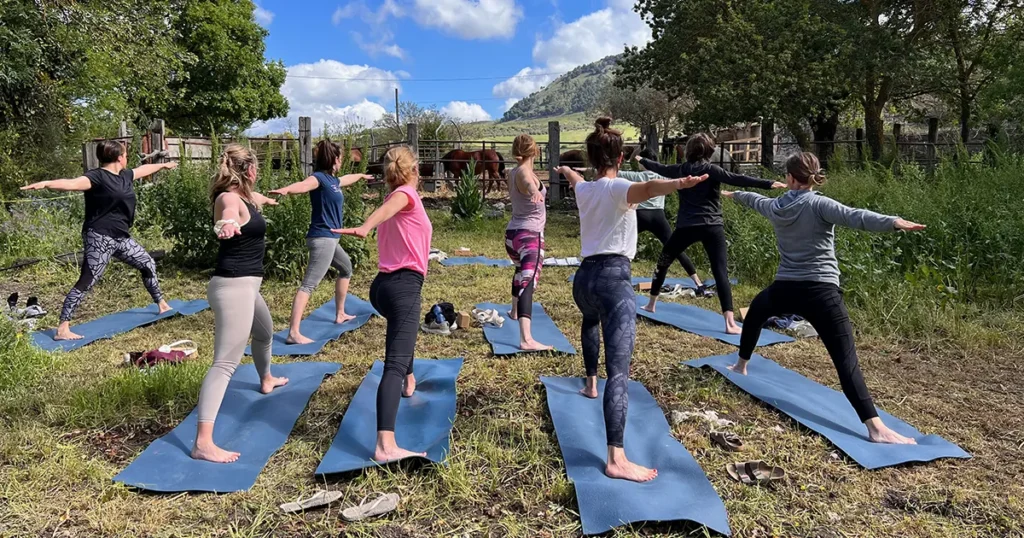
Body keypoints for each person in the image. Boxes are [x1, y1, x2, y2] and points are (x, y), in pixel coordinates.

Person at [723, 152, 925, 445]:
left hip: (786, 288)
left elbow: (754, 200)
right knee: (846, 361)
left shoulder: (775, 206)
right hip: (821, 293)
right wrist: (894, 222)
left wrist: (734, 193)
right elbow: (857, 216)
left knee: (756, 311)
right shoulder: (819, 203)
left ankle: (741, 365)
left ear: (790, 179)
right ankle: (875, 427)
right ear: (813, 177)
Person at [558, 118, 707, 482]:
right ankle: (616, 458)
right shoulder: (618, 188)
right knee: (620, 375)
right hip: (613, 280)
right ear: (620, 157)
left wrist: (565, 168)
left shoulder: (586, 190)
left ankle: (590, 382)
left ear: (593, 158)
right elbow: (652, 187)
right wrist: (681, 183)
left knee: (590, 320)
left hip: (584, 282)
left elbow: (575, 180)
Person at [333, 146, 433, 462]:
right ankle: (385, 446)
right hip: (402, 286)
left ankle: (410, 379)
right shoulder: (406, 195)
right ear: (414, 170)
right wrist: (365, 226)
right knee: (393, 362)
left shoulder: (393, 198)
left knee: (403, 333)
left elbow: (390, 209)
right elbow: (389, 209)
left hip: (384, 287)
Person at [21, 141, 178, 340]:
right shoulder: (96, 177)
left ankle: (162, 305)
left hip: (121, 237)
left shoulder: (125, 176)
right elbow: (72, 183)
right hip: (99, 237)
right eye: (126, 154)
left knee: (147, 263)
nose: (127, 157)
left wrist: (163, 165)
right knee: (88, 279)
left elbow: (143, 169)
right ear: (119, 157)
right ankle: (63, 329)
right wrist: (46, 184)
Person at [192, 144, 288, 463]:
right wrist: (227, 224)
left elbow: (253, 202)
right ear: (248, 170)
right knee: (225, 363)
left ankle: (266, 378)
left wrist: (270, 199)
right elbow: (229, 214)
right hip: (233, 287)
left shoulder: (246, 196)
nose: (257, 173)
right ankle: (203, 442)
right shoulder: (229, 198)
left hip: (247, 287)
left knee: (264, 332)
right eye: (256, 167)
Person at [639, 134, 786, 334]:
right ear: (709, 151)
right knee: (720, 272)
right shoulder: (712, 170)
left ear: (689, 151)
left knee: (664, 261)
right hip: (712, 227)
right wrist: (768, 183)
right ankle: (730, 323)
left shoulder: (681, 170)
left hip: (686, 227)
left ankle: (651, 304)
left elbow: (659, 168)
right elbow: (738, 179)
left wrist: (642, 159)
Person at [269, 139, 372, 345]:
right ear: (334, 160)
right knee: (308, 285)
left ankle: (340, 313)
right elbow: (304, 185)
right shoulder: (319, 179)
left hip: (331, 239)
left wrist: (360, 175)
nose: (342, 162)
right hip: (322, 238)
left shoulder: (333, 181)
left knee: (346, 269)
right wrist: (287, 189)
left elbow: (346, 179)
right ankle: (293, 333)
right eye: (341, 158)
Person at [619, 148, 708, 294]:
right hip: (658, 217)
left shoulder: (635, 176)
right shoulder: (663, 176)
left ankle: (618, 279)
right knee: (676, 249)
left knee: (624, 244)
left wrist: (585, 170)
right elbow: (684, 178)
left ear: (642, 162)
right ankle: (698, 283)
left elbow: (611, 174)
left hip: (640, 216)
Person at [504, 134, 551, 351]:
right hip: (529, 236)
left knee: (519, 271)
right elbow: (527, 184)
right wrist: (535, 192)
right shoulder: (524, 173)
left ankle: (514, 311)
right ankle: (526, 339)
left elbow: (522, 180)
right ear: (535, 151)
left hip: (512, 235)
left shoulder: (513, 171)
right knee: (528, 281)